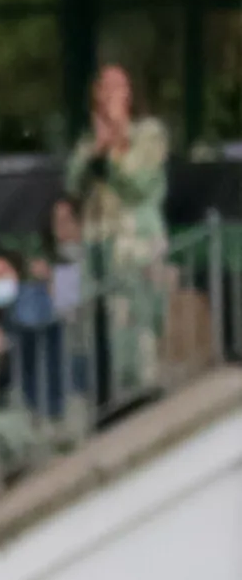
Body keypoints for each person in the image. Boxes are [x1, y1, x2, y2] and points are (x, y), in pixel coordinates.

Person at [64, 58, 177, 403]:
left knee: (139, 321)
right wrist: (97, 149)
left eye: (119, 86)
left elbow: (138, 184)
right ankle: (106, 395)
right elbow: (73, 186)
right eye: (105, 87)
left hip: (137, 245)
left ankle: (143, 390)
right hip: (99, 245)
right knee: (100, 325)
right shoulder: (87, 143)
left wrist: (116, 142)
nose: (111, 94)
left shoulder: (149, 134)